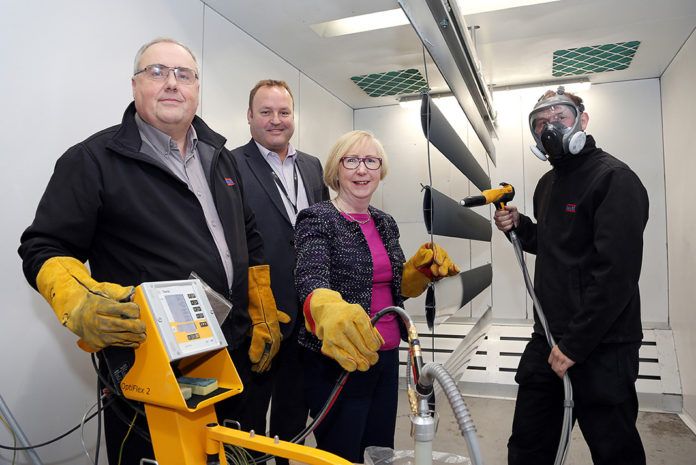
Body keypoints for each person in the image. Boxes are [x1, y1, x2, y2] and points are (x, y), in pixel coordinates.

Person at [18, 38, 286, 464]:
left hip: (232, 361)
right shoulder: (93, 160)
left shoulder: (220, 156)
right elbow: (44, 246)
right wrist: (77, 299)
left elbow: (247, 234)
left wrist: (260, 301)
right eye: (156, 72)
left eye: (184, 75)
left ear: (197, 88)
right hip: (151, 373)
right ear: (134, 85)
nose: (171, 84)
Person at [494, 87, 649, 465]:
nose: (550, 128)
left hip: (602, 344)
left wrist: (575, 346)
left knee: (615, 450)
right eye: (540, 123)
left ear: (582, 119)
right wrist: (521, 228)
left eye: (559, 117)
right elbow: (557, 247)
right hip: (547, 338)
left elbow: (617, 274)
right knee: (528, 447)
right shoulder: (549, 184)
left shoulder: (614, 178)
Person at [294, 130, 459, 462]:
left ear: (380, 171)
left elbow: (397, 283)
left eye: (371, 161)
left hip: (385, 357)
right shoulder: (318, 218)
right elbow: (310, 279)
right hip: (340, 359)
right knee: (343, 453)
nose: (362, 170)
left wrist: (419, 271)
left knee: (379, 448)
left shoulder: (384, 222)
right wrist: (327, 309)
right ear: (335, 170)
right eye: (351, 160)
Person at [225, 79, 328, 463]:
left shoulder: (312, 166)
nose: (275, 120)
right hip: (259, 316)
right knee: (248, 417)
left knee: (292, 414)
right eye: (265, 112)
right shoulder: (229, 163)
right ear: (249, 117)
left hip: (306, 316)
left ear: (293, 117)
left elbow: (321, 230)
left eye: (283, 112)